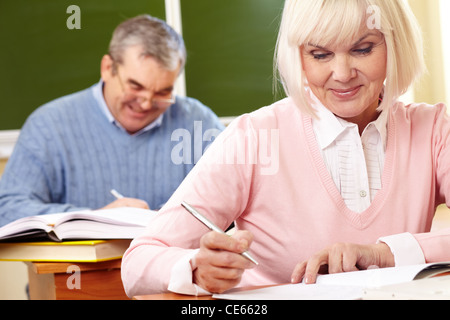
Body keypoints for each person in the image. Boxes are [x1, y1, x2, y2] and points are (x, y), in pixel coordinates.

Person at [121, 0, 450, 297]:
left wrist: (384, 253)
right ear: (299, 57)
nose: (342, 73)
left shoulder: (434, 128)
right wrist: (195, 266)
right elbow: (138, 261)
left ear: (395, 45)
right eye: (320, 54)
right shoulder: (254, 136)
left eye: (363, 49)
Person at [0, 15, 224, 226]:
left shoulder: (199, 123)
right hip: (74, 267)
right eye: (135, 86)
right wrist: (94, 219)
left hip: (177, 267)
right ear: (107, 68)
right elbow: (8, 209)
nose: (146, 103)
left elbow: (234, 200)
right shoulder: (48, 126)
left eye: (163, 92)